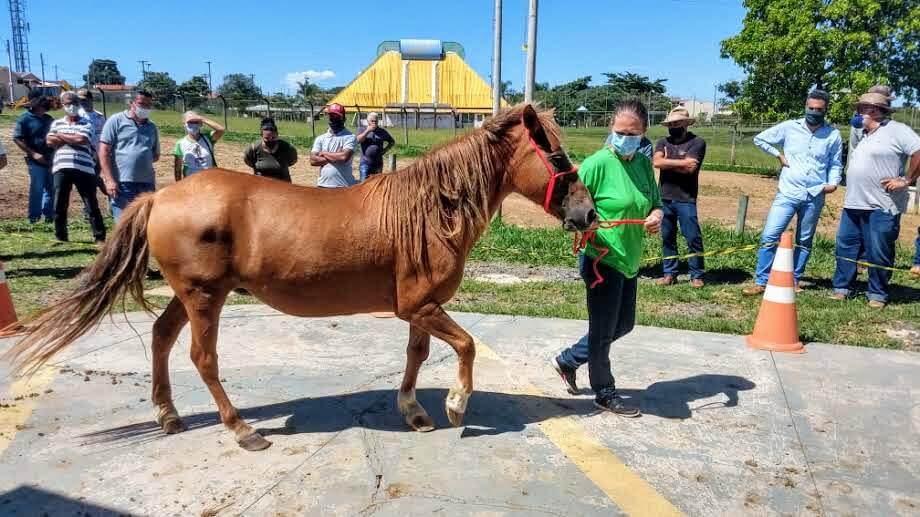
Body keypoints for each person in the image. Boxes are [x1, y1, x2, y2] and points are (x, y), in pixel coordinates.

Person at [551, 100, 663, 417]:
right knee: (602, 330)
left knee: (624, 324)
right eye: (619, 132)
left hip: (629, 257)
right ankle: (604, 390)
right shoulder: (596, 164)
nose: (625, 137)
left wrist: (656, 215)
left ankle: (568, 360)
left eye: (633, 133)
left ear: (644, 134)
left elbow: (654, 202)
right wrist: (591, 223)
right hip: (601, 259)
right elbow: (569, 210)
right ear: (611, 130)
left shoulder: (642, 165)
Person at [743, 90, 842, 295]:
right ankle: (761, 281)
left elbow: (835, 162)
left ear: (825, 110)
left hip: (815, 194)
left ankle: (794, 279)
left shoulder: (833, 134)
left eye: (819, 109)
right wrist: (777, 155)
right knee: (770, 235)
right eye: (811, 108)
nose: (814, 112)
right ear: (805, 106)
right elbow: (760, 139)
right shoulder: (790, 127)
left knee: (804, 240)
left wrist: (833, 183)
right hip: (787, 192)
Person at [831, 89, 920, 308]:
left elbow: (918, 151)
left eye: (862, 108)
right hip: (853, 201)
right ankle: (842, 287)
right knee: (846, 245)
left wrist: (907, 180)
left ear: (875, 111)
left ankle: (877, 294)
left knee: (878, 249)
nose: (858, 112)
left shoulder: (898, 131)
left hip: (882, 204)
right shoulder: (859, 132)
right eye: (858, 108)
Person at [653, 107, 707, 287]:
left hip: (686, 198)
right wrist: (682, 162)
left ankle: (697, 274)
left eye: (677, 123)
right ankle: (669, 273)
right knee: (667, 237)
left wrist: (668, 163)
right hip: (665, 197)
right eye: (671, 124)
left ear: (686, 124)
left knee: (692, 237)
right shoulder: (663, 142)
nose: (673, 126)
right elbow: (657, 162)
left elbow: (691, 168)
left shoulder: (697, 142)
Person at [45, 91, 106, 243]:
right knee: (60, 202)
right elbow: (49, 141)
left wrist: (60, 136)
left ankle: (99, 235)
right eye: (67, 103)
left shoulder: (87, 123)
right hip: (61, 166)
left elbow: (82, 139)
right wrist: (68, 138)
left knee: (90, 202)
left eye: (74, 103)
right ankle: (61, 235)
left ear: (78, 104)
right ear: (62, 105)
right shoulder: (56, 123)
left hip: (84, 167)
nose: (71, 106)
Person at [99, 90, 160, 222]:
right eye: (141, 103)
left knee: (145, 221)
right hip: (122, 182)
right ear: (131, 103)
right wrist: (109, 180)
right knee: (124, 221)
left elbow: (155, 155)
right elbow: (104, 151)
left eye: (148, 105)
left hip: (146, 183)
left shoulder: (151, 127)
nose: (145, 108)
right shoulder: (116, 121)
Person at [13, 90, 54, 223]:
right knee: (37, 189)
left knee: (51, 189)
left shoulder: (49, 119)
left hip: (51, 159)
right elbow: (17, 139)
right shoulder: (24, 119)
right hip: (35, 161)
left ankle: (49, 217)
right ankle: (34, 218)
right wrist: (34, 154)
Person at [310, 103, 357, 187]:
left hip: (343, 187)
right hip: (323, 185)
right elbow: (313, 161)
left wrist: (324, 153)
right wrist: (335, 156)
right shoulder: (321, 138)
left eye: (336, 117)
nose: (333, 119)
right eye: (331, 116)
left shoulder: (350, 137)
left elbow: (343, 157)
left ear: (343, 119)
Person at [173, 110, 224, 181]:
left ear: (201, 124)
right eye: (190, 122)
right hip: (191, 182)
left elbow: (221, 129)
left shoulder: (208, 138)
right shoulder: (180, 143)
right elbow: (177, 169)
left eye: (196, 122)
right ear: (184, 124)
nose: (193, 124)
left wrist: (202, 118)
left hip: (209, 181)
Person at [242, 118, 298, 182]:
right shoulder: (253, 148)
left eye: (273, 138)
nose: (270, 140)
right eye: (267, 138)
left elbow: (292, 161)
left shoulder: (287, 148)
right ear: (261, 136)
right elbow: (248, 162)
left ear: (277, 135)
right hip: (261, 185)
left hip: (283, 185)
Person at [356, 112, 395, 180]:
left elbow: (392, 142)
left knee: (376, 186)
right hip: (365, 163)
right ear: (368, 121)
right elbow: (358, 140)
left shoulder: (382, 131)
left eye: (376, 121)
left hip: (378, 164)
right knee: (363, 185)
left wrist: (385, 150)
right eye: (372, 121)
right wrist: (367, 131)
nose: (374, 123)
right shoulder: (362, 129)